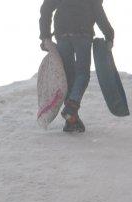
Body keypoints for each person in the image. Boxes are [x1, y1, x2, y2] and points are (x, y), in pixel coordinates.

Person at [39, 0, 116, 133]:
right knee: (82, 75)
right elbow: (98, 12)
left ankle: (72, 120)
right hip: (82, 33)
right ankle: (71, 108)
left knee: (69, 77)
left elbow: (46, 9)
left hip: (62, 33)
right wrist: (109, 35)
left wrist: (45, 36)